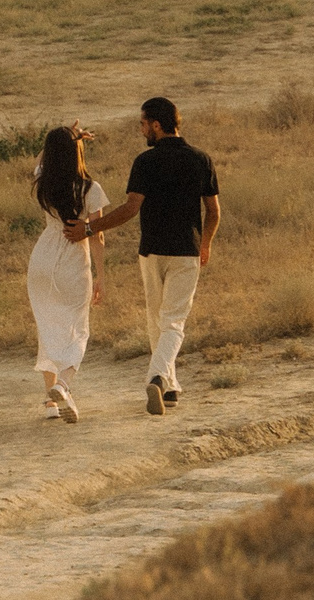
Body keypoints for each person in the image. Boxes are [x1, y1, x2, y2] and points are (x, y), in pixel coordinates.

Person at [68, 97, 218, 416]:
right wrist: (205, 243)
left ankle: (157, 377)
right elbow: (213, 211)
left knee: (157, 318)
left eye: (142, 124)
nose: (141, 130)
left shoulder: (145, 161)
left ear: (156, 125)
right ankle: (168, 383)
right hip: (187, 251)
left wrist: (88, 228)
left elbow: (129, 209)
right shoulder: (201, 159)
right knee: (173, 320)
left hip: (151, 250)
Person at [26, 123, 108, 424]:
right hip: (73, 261)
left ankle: (52, 402)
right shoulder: (90, 189)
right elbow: (97, 235)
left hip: (42, 259)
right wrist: (102, 276)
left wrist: (61, 140)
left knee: (48, 329)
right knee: (77, 330)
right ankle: (63, 385)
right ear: (78, 152)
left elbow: (40, 161)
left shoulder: (44, 183)